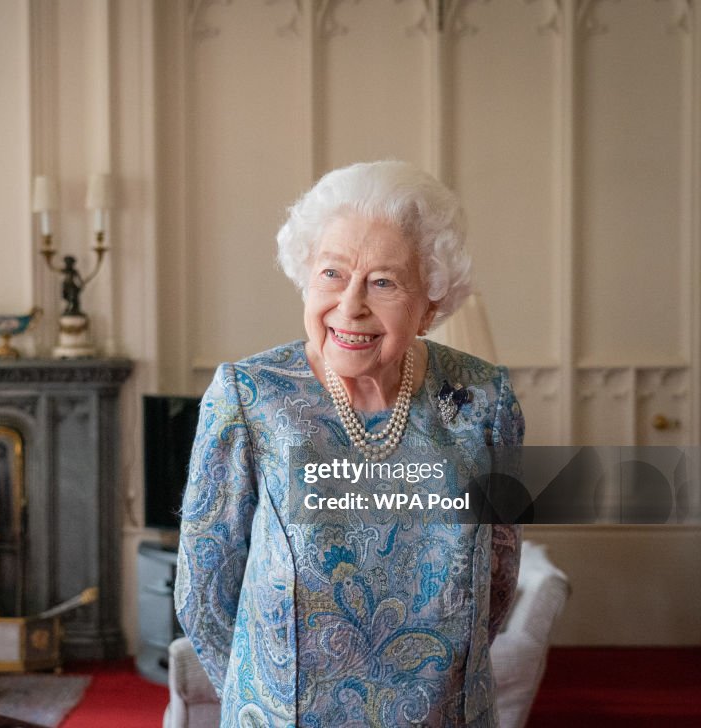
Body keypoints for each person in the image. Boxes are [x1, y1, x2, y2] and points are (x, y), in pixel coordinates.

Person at [175, 161, 524, 727]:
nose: (350, 305)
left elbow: (499, 582)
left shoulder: (484, 401)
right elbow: (204, 592)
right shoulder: (249, 398)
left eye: (384, 282)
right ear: (306, 274)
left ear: (430, 302)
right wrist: (266, 695)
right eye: (332, 273)